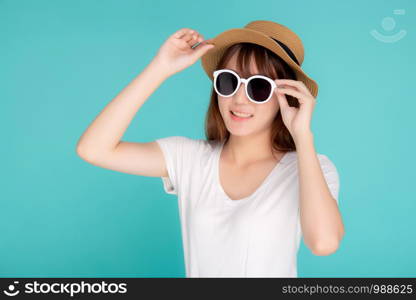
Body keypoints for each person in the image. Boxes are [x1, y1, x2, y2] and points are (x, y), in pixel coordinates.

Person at [76, 20, 345, 278]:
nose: (239, 99)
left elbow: (323, 243)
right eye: (229, 81)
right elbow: (94, 149)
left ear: (285, 97)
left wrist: (302, 137)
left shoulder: (311, 168)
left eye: (259, 87)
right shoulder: (189, 159)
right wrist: (160, 68)